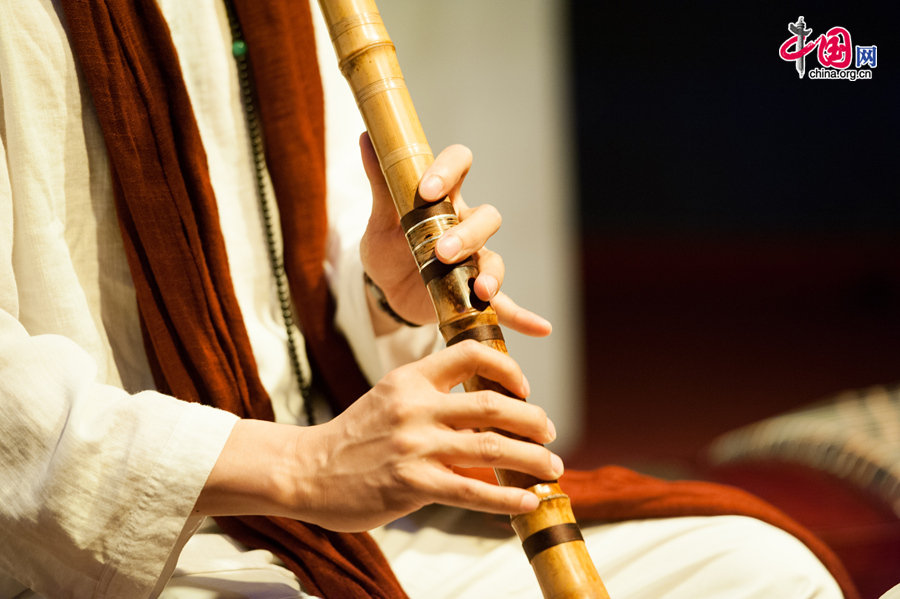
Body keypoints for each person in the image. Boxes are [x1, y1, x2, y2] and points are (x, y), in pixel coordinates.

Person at [0, 1, 847, 597]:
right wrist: (302, 465)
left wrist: (390, 297)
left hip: (339, 529)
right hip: (132, 554)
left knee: (764, 571)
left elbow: (283, 334)